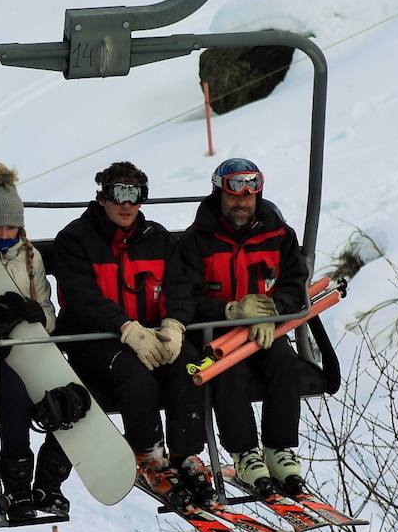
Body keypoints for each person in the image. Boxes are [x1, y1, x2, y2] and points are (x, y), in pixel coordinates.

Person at [51, 161, 212, 508]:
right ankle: (149, 455)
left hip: (151, 334)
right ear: (102, 197)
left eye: (135, 195)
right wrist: (125, 328)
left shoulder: (158, 239)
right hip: (96, 341)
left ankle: (186, 454)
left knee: (190, 364)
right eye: (118, 195)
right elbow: (82, 297)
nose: (126, 205)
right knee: (133, 372)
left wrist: (174, 324)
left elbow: (180, 287)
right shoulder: (75, 240)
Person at [180, 158, 312, 497]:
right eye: (235, 196)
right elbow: (187, 298)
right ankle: (245, 453)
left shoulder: (278, 234)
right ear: (219, 195)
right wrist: (231, 311)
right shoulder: (197, 240)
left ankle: (279, 448)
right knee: (230, 373)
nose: (242, 203)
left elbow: (295, 285)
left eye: (249, 197)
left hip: (263, 331)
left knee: (284, 363)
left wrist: (272, 311)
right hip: (217, 335)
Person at [0, 163, 74, 519]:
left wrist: (37, 315)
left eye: (11, 226)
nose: (3, 233)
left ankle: (49, 482)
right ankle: (17, 490)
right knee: (14, 401)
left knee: (70, 398)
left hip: (32, 349)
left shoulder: (31, 258)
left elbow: (48, 311)